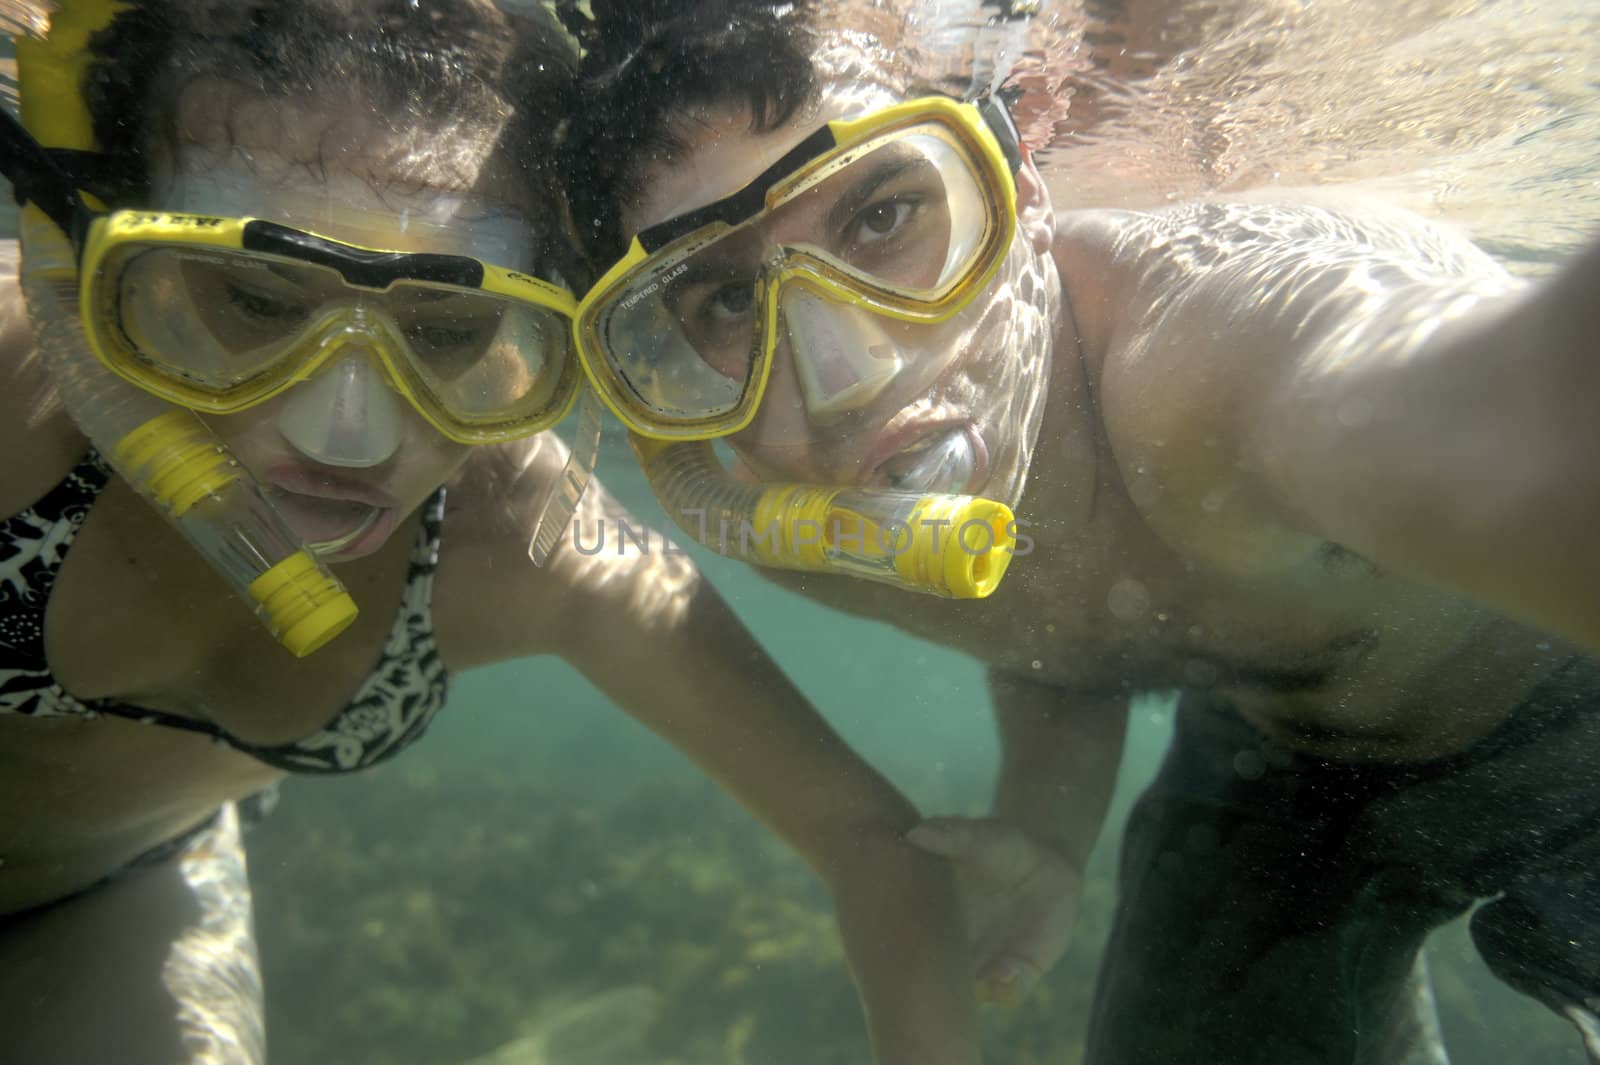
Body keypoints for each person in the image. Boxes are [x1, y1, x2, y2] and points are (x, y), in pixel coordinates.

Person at [556, 1, 1600, 1062]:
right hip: (1278, 769)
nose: (844, 378)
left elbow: (1502, 421)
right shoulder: (810, 525)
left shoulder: (1198, 362)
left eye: (884, 219)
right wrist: (1043, 827)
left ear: (1018, 190)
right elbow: (1062, 639)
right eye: (727, 302)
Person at [0, 3, 981, 1063]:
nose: (349, 430)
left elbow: (869, 837)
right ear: (98, 267)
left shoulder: (523, 539)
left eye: (448, 327)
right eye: (251, 295)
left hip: (124, 888)